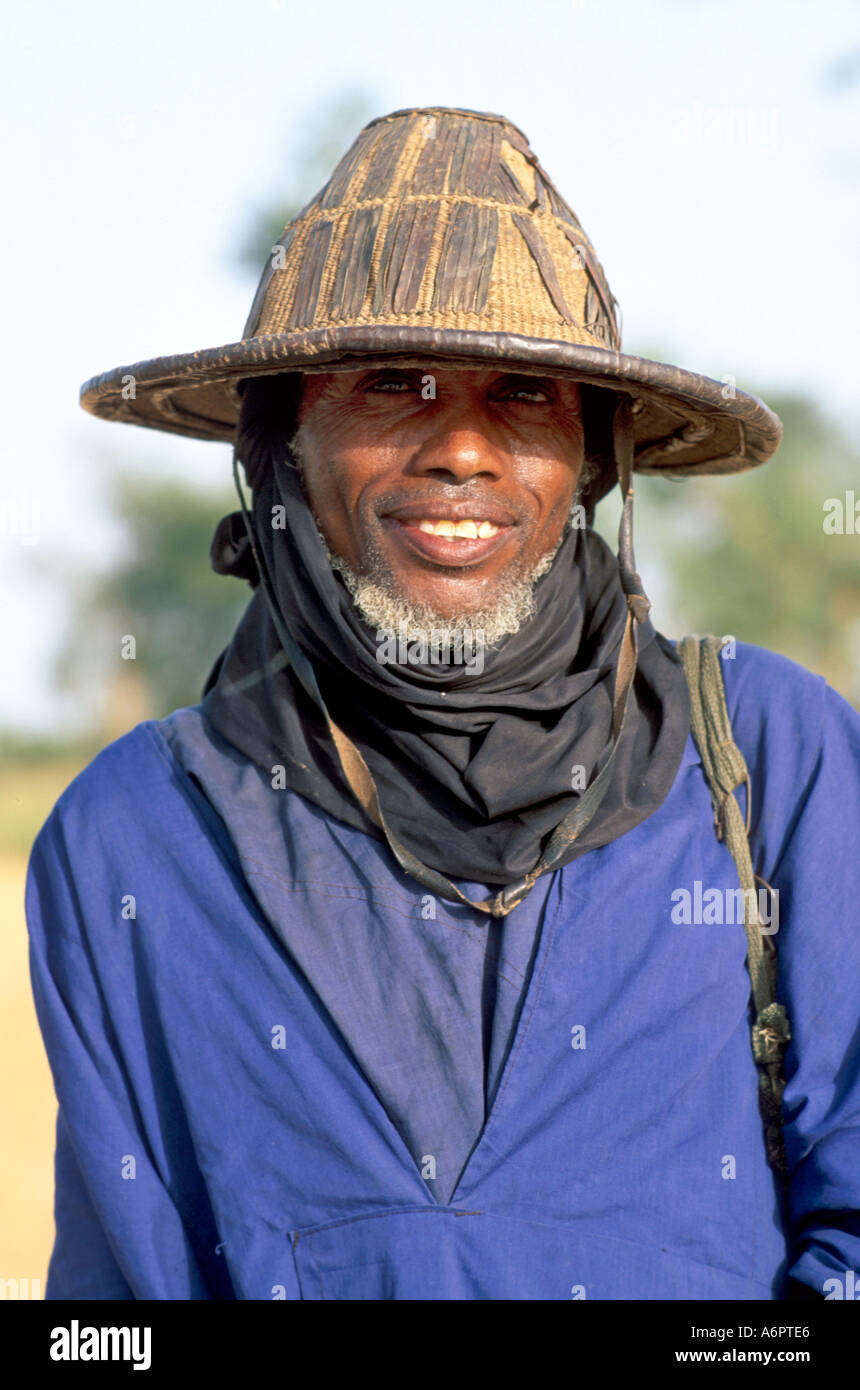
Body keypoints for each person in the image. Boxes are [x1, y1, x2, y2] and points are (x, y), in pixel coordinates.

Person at [27, 106, 860, 1301]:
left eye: (525, 392)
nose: (462, 448)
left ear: (593, 458)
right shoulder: (135, 840)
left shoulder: (773, 764)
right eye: (392, 386)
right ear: (281, 447)